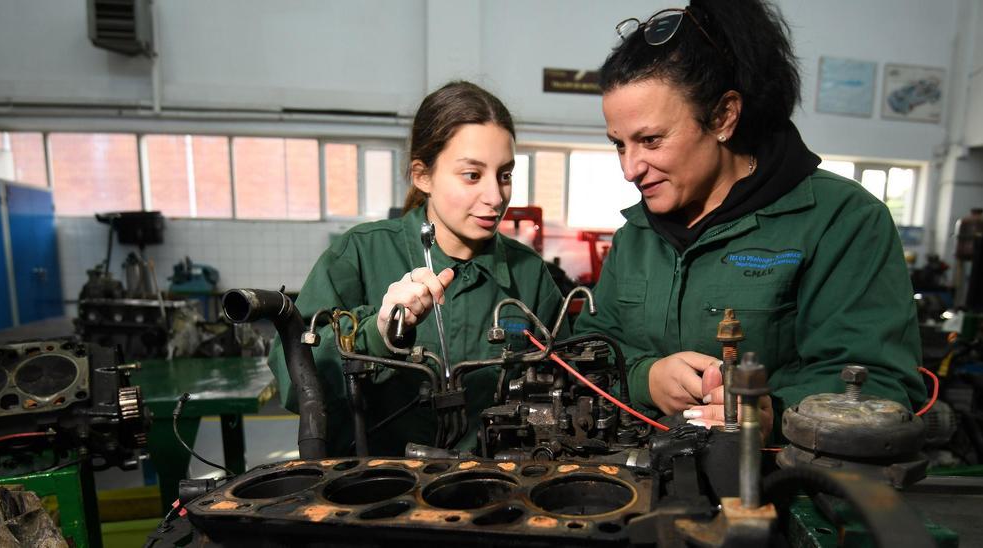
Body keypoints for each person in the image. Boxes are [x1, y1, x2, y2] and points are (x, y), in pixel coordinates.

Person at [576, 0, 927, 440]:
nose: (630, 169)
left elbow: (880, 383)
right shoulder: (638, 235)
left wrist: (773, 413)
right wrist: (645, 376)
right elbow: (587, 349)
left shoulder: (840, 220)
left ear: (724, 116)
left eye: (650, 140)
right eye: (619, 145)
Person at [269, 81, 565, 456]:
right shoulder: (360, 253)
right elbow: (295, 383)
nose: (495, 197)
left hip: (495, 491)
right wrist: (374, 335)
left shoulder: (530, 277)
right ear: (423, 175)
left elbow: (569, 387)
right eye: (472, 175)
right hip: (378, 492)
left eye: (504, 175)